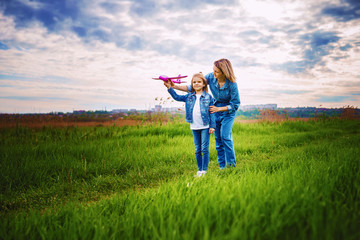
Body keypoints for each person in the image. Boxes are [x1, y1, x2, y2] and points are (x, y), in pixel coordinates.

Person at [171, 59, 240, 169]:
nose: (213, 73)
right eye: (213, 70)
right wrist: (174, 86)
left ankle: (231, 166)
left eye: (216, 72)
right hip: (214, 109)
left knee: (225, 137)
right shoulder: (211, 77)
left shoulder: (232, 84)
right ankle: (222, 167)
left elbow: (235, 104)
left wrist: (219, 109)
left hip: (227, 111)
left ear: (224, 72)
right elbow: (193, 87)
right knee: (218, 140)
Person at [164, 73, 216, 177]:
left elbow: (212, 112)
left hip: (205, 126)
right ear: (192, 84)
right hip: (194, 126)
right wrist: (170, 87)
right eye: (194, 82)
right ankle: (199, 169)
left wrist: (212, 126)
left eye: (199, 82)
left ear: (204, 84)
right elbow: (177, 97)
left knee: (204, 149)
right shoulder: (189, 96)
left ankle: (204, 171)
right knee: (197, 149)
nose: (196, 84)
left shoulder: (208, 97)